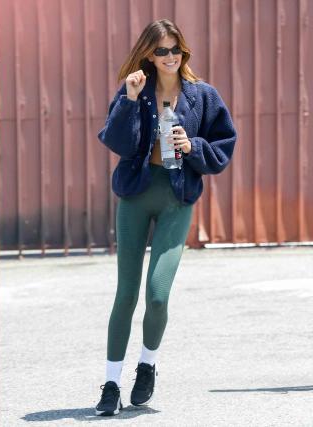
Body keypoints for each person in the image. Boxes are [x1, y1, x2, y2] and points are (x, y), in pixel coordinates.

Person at [94, 19, 236, 415]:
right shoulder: (134, 92)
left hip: (178, 198)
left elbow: (224, 145)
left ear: (183, 52)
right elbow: (116, 141)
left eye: (175, 49)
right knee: (126, 293)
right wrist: (127, 99)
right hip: (136, 196)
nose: (170, 57)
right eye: (161, 51)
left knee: (157, 295)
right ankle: (109, 383)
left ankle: (147, 366)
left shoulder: (202, 96)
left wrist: (193, 145)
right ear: (148, 55)